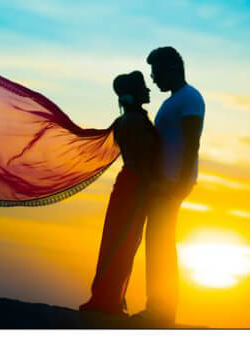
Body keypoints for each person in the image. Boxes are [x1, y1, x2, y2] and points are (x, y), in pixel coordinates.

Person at [134, 47, 205, 327]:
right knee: (158, 243)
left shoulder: (190, 98)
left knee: (161, 244)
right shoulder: (175, 100)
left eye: (156, 72)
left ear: (171, 69)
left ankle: (161, 312)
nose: (153, 78)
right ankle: (159, 309)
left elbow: (192, 143)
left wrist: (181, 183)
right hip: (164, 182)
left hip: (172, 183)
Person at [80, 71, 159, 316]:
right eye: (143, 87)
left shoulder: (127, 120)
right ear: (132, 94)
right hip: (134, 187)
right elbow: (146, 158)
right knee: (122, 244)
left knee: (118, 242)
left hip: (129, 185)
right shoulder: (134, 121)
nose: (148, 90)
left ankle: (109, 299)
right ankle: (107, 302)